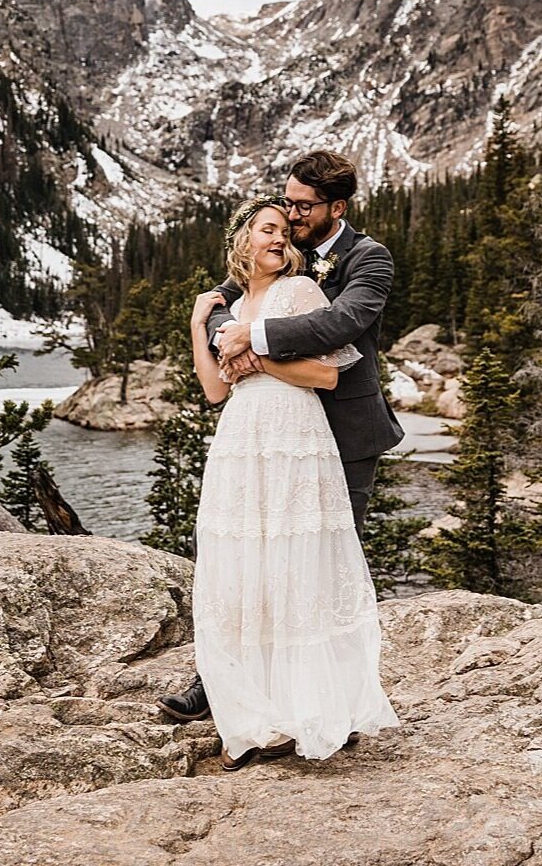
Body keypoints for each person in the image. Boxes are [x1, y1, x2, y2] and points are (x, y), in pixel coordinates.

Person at [159, 150, 404, 730]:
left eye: (302, 206)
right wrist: (224, 334)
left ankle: (323, 696)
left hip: (343, 431)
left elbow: (341, 326)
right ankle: (222, 682)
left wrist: (254, 340)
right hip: (267, 433)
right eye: (286, 201)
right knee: (254, 552)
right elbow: (226, 305)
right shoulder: (273, 254)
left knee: (321, 562)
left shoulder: (367, 259)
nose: (291, 214)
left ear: (335, 207)